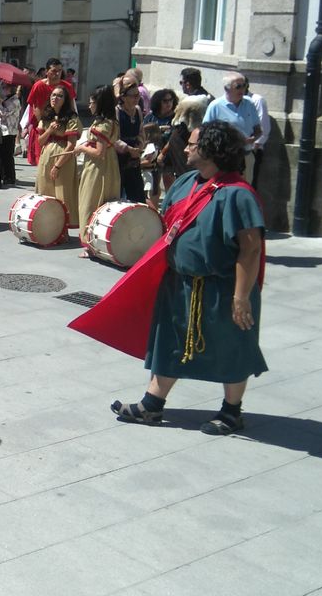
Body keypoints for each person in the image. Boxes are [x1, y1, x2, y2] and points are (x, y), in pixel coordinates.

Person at [106, 122, 265, 436]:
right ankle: (151, 405)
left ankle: (232, 413)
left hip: (222, 288)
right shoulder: (188, 181)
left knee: (232, 345)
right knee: (169, 343)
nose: (186, 148)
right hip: (179, 282)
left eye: (192, 144)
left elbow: (250, 249)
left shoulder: (238, 195)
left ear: (210, 151)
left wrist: (241, 296)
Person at [75, 86, 121, 246]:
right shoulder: (111, 122)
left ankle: (89, 243)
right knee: (104, 203)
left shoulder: (103, 125)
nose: (89, 106)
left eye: (92, 102)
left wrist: (81, 148)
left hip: (98, 168)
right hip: (110, 166)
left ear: (100, 103)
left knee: (90, 203)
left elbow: (99, 152)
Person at [34, 85, 82, 229]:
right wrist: (49, 130)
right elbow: (40, 141)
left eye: (60, 96)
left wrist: (58, 165)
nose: (55, 98)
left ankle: (64, 229)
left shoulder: (71, 118)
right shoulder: (46, 116)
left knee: (63, 193)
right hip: (46, 156)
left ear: (65, 100)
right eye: (53, 95)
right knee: (45, 190)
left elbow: (71, 145)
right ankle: (48, 226)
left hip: (63, 159)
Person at [203, 71, 262, 181]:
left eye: (244, 86)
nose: (242, 89)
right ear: (226, 88)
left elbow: (258, 129)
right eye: (238, 86)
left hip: (246, 155)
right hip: (223, 158)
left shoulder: (249, 103)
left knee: (245, 187)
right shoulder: (215, 106)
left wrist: (253, 139)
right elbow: (205, 131)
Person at [24, 58, 76, 166]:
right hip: (43, 127)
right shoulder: (38, 86)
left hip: (62, 128)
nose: (57, 73)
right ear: (46, 72)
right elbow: (35, 108)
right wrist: (45, 126)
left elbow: (72, 107)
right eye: (54, 71)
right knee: (43, 162)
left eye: (60, 70)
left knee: (60, 162)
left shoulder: (67, 87)